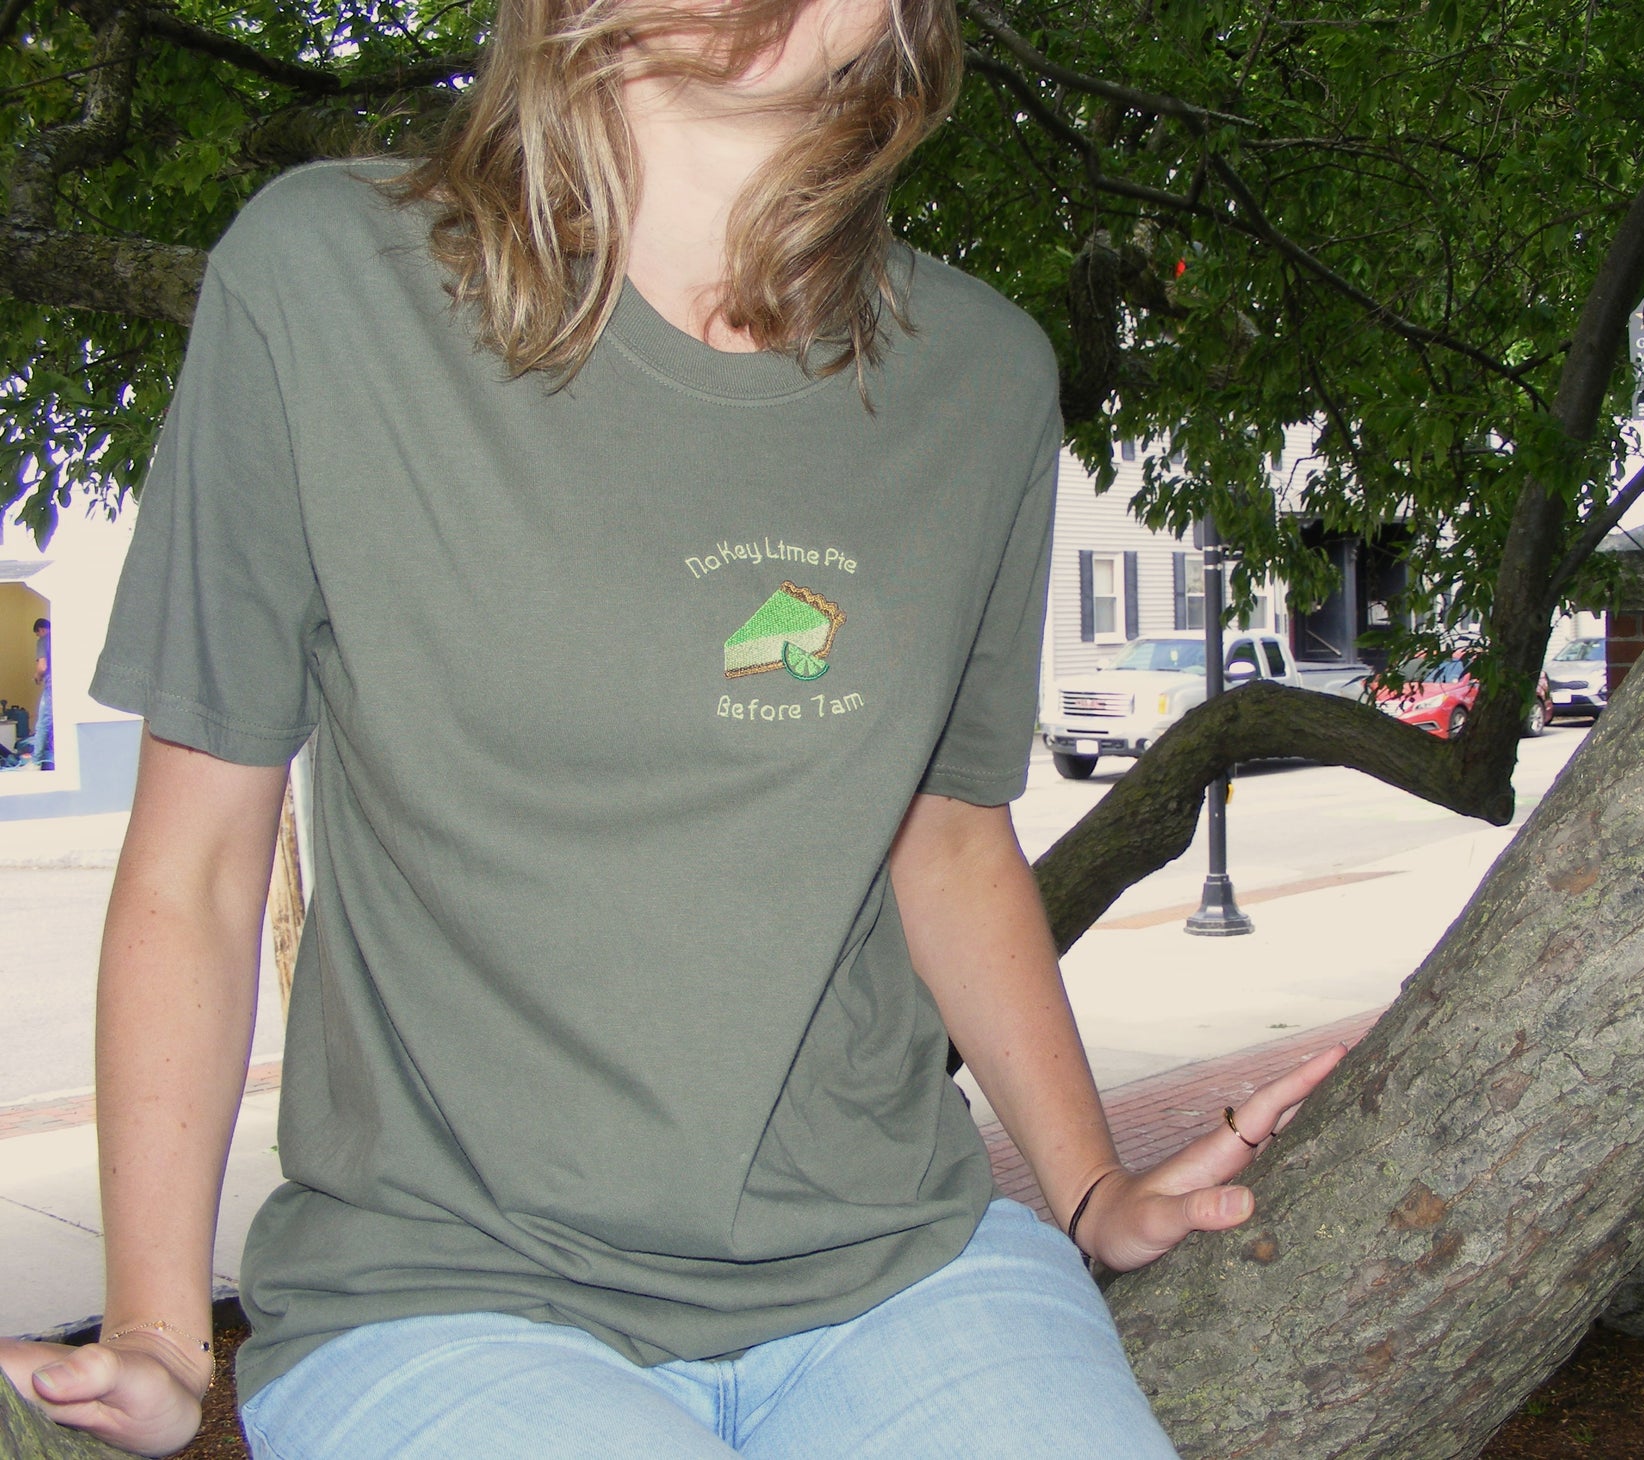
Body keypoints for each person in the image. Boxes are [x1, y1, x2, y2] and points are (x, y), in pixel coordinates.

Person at [0, 1, 1343, 1455]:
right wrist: (152, 1323)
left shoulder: (985, 376)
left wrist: (1092, 1190)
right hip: (446, 1297)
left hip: (899, 1271)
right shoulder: (324, 280)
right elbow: (197, 864)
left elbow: (947, 839)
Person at [25, 616, 51, 769]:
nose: (38, 636)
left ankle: (36, 762)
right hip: (67, 687)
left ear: (41, 629)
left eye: (37, 633)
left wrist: (37, 677)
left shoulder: (43, 640)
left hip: (52, 687)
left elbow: (42, 666)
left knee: (42, 723)